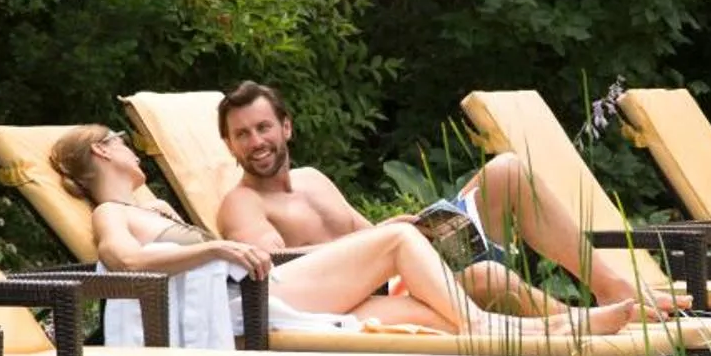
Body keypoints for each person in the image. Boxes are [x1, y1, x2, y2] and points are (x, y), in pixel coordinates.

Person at [49, 125, 633, 338]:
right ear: (104, 149)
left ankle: (576, 328)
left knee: (438, 322)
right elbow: (120, 260)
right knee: (401, 244)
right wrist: (217, 244)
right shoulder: (112, 213)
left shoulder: (150, 205)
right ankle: (501, 321)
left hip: (259, 298)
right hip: (244, 304)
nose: (134, 149)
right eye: (122, 142)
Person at [211, 80, 682, 317]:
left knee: (507, 171)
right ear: (231, 146)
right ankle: (585, 323)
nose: (256, 142)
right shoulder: (242, 204)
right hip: (371, 294)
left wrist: (400, 228)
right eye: (242, 135)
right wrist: (387, 244)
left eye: (263, 127)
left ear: (286, 127)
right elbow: (273, 269)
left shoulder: (314, 178)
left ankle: (609, 284)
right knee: (487, 275)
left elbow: (362, 237)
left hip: (402, 263)